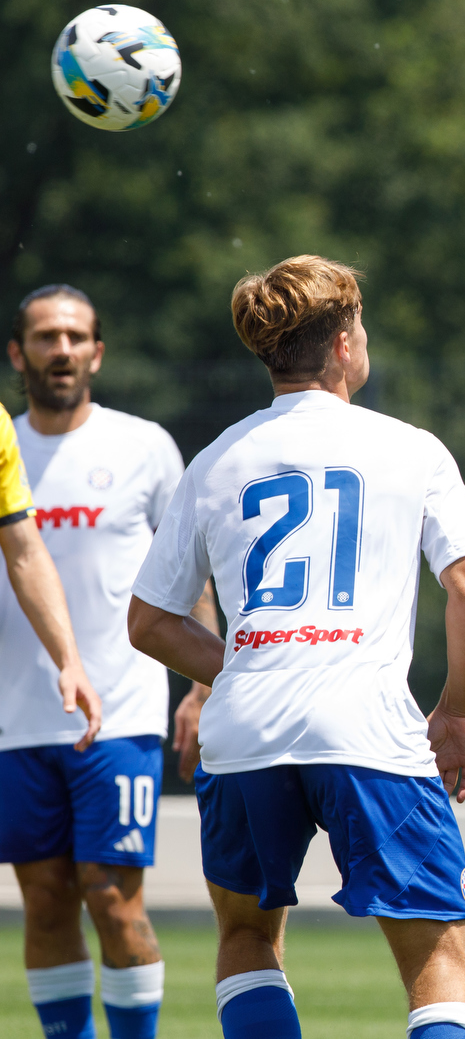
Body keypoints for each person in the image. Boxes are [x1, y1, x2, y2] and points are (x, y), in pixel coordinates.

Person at [127, 255, 465, 1039]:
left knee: (247, 939)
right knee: (438, 956)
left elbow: (150, 623)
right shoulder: (412, 449)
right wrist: (458, 714)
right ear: (341, 344)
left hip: (245, 735)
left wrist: (253, 667)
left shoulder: (216, 459)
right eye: (359, 325)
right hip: (366, 730)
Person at [0, 285, 215, 1039]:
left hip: (121, 709)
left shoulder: (143, 445)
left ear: (98, 352)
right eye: (46, 336)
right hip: (17, 718)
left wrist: (199, 685)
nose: (61, 349)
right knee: (47, 895)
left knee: (113, 895)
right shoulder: (4, 446)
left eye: (75, 335)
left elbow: (191, 573)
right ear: (17, 352)